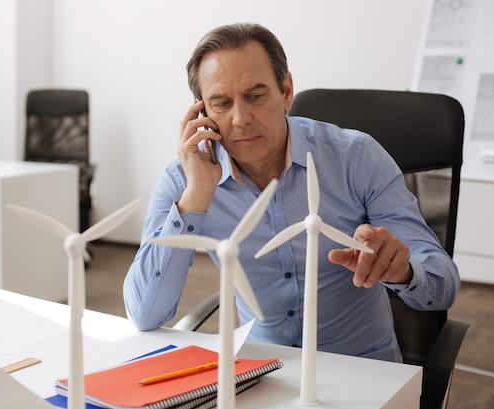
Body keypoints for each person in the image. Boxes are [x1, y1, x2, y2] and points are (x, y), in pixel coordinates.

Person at [123, 23, 460, 362]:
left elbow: (443, 286)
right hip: (262, 369)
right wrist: (196, 195)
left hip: (362, 365)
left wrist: (402, 269)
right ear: (202, 113)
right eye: (222, 103)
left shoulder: (356, 158)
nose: (241, 118)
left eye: (256, 96)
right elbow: (145, 313)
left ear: (285, 92)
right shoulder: (185, 179)